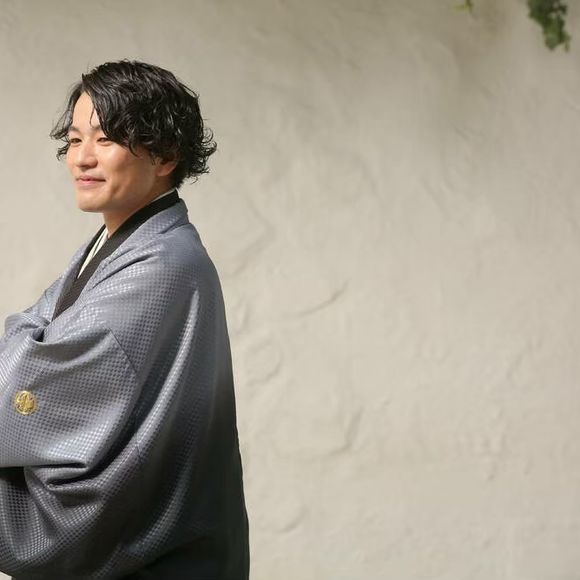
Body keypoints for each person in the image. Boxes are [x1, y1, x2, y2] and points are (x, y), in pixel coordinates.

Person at [0, 60, 250, 579]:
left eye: (107, 139)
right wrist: (30, 337)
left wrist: (28, 340)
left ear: (166, 155)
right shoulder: (125, 244)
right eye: (74, 140)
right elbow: (29, 330)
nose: (82, 158)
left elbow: (28, 371)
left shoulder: (162, 266)